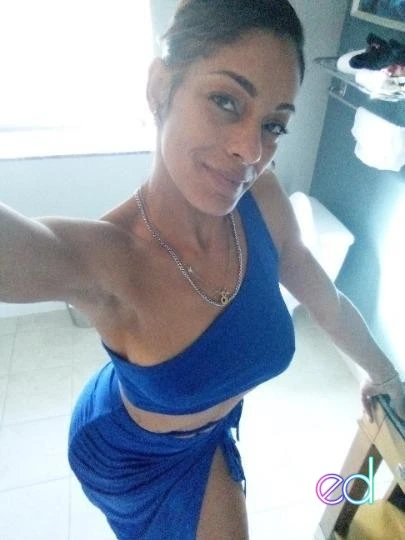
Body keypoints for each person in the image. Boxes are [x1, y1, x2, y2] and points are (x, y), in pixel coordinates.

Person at [1, 1, 404, 538]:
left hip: (206, 437)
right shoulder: (107, 258)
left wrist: (385, 374)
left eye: (273, 125)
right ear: (159, 88)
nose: (250, 151)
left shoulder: (261, 198)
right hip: (126, 455)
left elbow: (324, 299)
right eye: (225, 101)